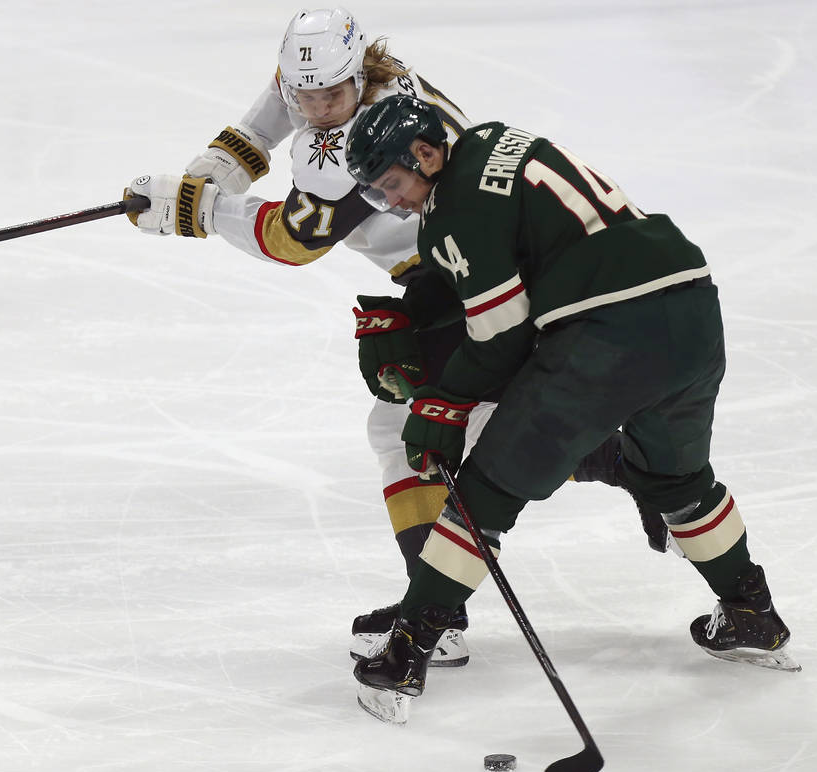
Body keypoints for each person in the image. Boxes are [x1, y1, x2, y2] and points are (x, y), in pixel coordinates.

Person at [122, 8, 668, 667]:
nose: (318, 108)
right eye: (306, 94)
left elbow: (296, 239)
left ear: (357, 78)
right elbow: (262, 123)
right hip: (467, 268)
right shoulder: (330, 74)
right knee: (479, 420)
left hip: (471, 279)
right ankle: (625, 472)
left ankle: (436, 617)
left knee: (407, 431)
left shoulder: (371, 144)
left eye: (331, 94)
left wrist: (196, 208)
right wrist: (210, 170)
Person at [343, 94, 800, 722]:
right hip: (691, 311)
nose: (390, 201)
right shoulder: (497, 140)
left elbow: (503, 333)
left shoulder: (451, 208)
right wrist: (420, 310)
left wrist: (443, 404)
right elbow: (514, 254)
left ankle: (404, 656)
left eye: (391, 183)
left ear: (425, 154)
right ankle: (753, 614)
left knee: (486, 492)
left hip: (608, 333)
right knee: (677, 478)